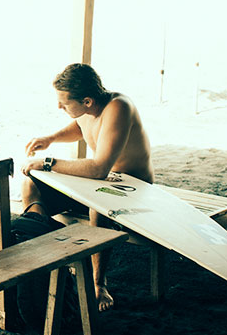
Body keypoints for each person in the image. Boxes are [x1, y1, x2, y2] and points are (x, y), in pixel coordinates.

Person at [21, 63, 154, 312]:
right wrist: (51, 139)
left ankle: (97, 283)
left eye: (64, 103)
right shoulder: (88, 108)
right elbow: (80, 126)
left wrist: (48, 163)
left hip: (131, 188)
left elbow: (98, 168)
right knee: (31, 186)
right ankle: (42, 259)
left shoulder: (119, 107)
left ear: (87, 101)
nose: (59, 107)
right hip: (99, 182)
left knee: (97, 206)